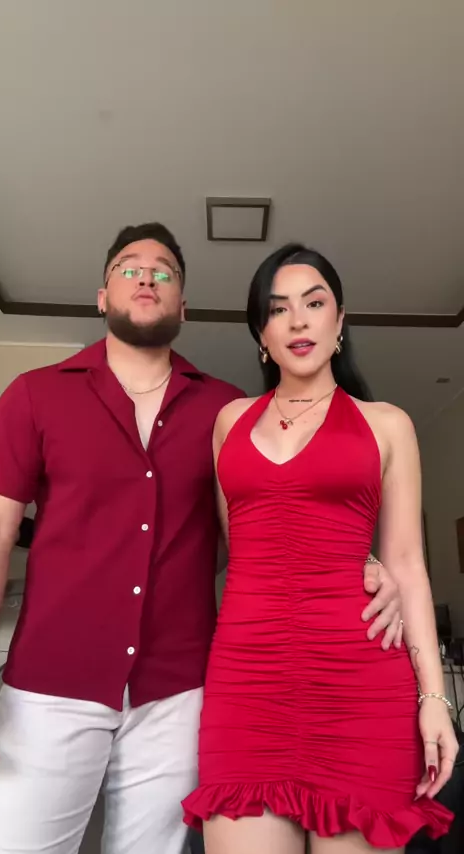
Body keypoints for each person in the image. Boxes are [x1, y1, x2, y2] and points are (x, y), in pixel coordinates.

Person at [0, 224, 402, 854]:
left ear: (183, 304)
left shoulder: (228, 412)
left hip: (178, 691)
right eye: (129, 268)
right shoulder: (34, 395)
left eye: (164, 272)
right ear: (101, 295)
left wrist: (364, 561)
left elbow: (270, 523)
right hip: (50, 685)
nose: (146, 278)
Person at [182, 243, 459, 854]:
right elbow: (244, 543)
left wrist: (434, 699)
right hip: (246, 682)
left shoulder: (387, 423)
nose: (298, 320)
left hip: (362, 684)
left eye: (314, 302)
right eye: (278, 308)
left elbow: (409, 565)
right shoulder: (229, 422)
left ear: (340, 319)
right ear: (261, 333)